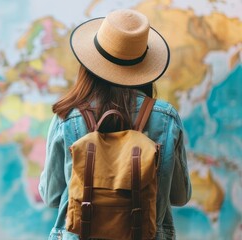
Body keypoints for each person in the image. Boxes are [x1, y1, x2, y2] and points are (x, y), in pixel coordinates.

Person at [38, 9, 191, 240]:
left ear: (90, 63)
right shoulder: (166, 117)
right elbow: (179, 196)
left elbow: (51, 195)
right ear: (144, 67)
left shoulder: (67, 117)